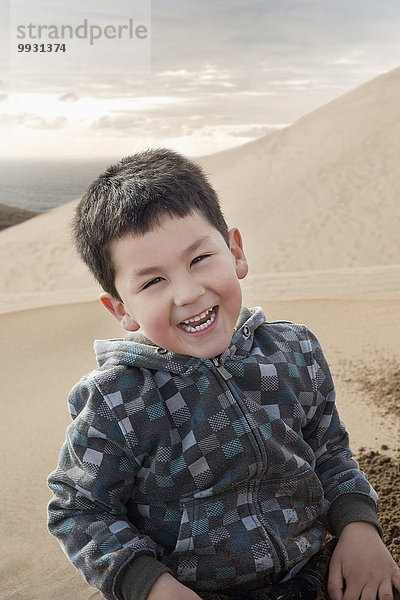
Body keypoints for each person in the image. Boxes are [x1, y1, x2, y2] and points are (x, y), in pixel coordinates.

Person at [47, 148, 400, 600]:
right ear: (121, 309)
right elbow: (79, 510)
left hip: (313, 574)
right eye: (152, 282)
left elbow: (328, 453)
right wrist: (151, 586)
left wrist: (359, 529)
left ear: (235, 252)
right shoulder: (116, 401)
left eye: (199, 259)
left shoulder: (295, 351)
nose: (189, 293)